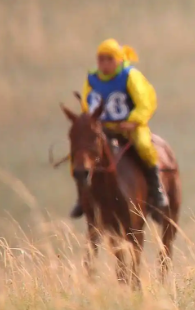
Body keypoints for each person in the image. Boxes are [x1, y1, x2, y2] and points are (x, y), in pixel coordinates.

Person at [69, 39, 169, 217]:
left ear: (119, 60)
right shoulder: (92, 78)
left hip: (129, 127)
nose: (105, 64)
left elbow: (146, 102)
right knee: (80, 152)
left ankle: (156, 189)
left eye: (109, 59)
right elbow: (87, 103)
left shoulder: (130, 76)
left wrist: (133, 121)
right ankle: (82, 197)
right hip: (101, 128)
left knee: (145, 146)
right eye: (101, 60)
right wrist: (90, 124)